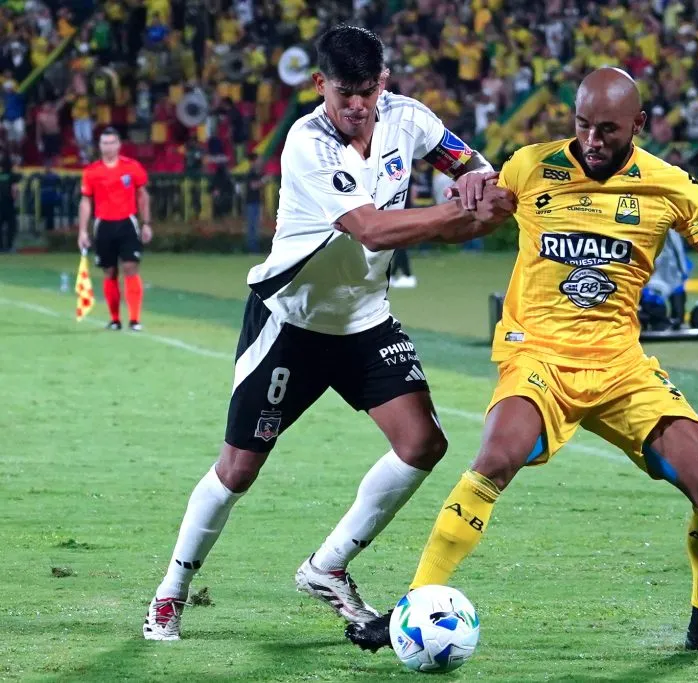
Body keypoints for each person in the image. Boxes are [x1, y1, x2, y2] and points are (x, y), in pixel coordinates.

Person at [347, 67, 698, 657]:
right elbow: (467, 224)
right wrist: (465, 198)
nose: (592, 140)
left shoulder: (671, 187)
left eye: (608, 130)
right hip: (537, 356)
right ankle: (414, 605)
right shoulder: (530, 165)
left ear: (638, 125)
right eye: (583, 125)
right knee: (496, 457)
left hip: (621, 366)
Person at [141, 25, 514, 642]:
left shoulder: (407, 119)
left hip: (365, 320)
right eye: (344, 93)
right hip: (291, 324)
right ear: (321, 85)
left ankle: (328, 567)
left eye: (367, 92)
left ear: (383, 84)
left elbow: (469, 162)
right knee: (237, 470)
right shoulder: (306, 144)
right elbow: (369, 229)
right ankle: (171, 592)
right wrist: (459, 211)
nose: (357, 106)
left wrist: (477, 177)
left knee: (423, 443)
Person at [76, 128, 152, 330]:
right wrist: (83, 231)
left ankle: (135, 319)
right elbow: (86, 201)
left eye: (111, 143)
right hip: (103, 225)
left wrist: (146, 223)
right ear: (99, 146)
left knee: (130, 267)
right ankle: (115, 318)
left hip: (127, 223)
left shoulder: (132, 167)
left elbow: (143, 195)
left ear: (119, 145)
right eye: (104, 143)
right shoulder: (92, 172)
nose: (108, 147)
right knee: (109, 271)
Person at [243, 152, 266, 253]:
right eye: (259, 159)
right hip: (251, 203)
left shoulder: (257, 173)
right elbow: (253, 186)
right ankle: (252, 249)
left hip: (256, 202)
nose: (261, 162)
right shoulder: (251, 173)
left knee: (256, 227)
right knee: (252, 227)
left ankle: (255, 248)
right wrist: (264, 181)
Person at [0, 152, 20, 252]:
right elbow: (14, 189)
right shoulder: (13, 176)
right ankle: (9, 246)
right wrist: (16, 200)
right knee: (11, 227)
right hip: (9, 204)